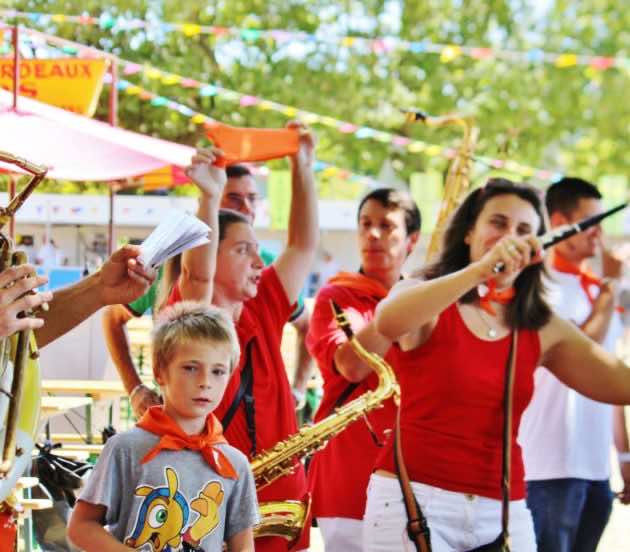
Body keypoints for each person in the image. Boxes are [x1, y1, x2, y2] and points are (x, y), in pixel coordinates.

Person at [367, 178, 630, 551]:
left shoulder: (538, 323)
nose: (510, 236)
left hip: (503, 508)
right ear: (469, 232)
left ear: (537, 248)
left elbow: (620, 384)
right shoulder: (428, 292)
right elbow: (388, 321)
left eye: (524, 230)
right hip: (413, 501)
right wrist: (481, 271)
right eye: (499, 223)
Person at [103, 163, 314, 418]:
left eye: (252, 198)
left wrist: (302, 159)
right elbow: (198, 276)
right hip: (209, 446)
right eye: (234, 198)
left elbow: (303, 247)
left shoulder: (263, 283)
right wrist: (135, 388)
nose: (246, 208)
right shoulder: (181, 275)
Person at [67, 302, 258, 551]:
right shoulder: (124, 448)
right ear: (159, 372)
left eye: (218, 371)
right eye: (190, 368)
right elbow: (80, 526)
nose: (205, 382)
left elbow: (243, 547)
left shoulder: (235, 464)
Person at [519, 177, 630, 552]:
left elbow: (608, 373)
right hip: (549, 468)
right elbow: (581, 349)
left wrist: (624, 455)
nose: (598, 233)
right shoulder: (538, 287)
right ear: (560, 223)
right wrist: (611, 286)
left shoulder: (597, 287)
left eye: (602, 222)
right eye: (589, 222)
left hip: (596, 469)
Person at [305, 188, 420, 551]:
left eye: (387, 226)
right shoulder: (336, 295)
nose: (373, 234)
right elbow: (352, 366)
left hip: (412, 474)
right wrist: (399, 307)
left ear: (412, 241)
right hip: (350, 472)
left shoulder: (425, 300)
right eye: (366, 224)